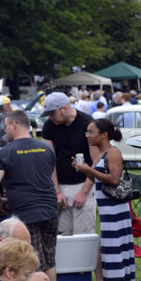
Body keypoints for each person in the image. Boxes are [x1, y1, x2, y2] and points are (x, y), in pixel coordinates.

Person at [0, 110, 60, 281]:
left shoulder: (4, 153)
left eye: (6, 127)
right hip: (50, 209)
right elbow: (51, 178)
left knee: (30, 260)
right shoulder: (45, 149)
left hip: (25, 213)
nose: (5, 131)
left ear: (14, 124)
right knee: (50, 259)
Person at [72, 119, 136, 281]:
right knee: (112, 250)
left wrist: (88, 170)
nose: (88, 136)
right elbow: (96, 177)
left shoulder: (113, 152)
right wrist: (84, 169)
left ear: (104, 134)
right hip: (109, 212)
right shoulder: (101, 154)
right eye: (87, 132)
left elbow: (114, 179)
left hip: (115, 211)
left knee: (115, 250)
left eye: (91, 132)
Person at [39, 91, 97, 236]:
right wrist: (57, 191)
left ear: (65, 108)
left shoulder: (88, 124)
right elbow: (48, 161)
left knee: (84, 237)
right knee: (63, 238)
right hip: (61, 188)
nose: (50, 117)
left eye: (52, 113)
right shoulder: (49, 126)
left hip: (84, 184)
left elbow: (96, 162)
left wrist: (84, 192)